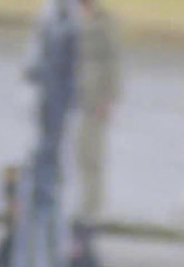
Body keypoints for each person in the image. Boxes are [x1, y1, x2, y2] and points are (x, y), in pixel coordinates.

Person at [72, 0, 119, 224]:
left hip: (95, 100)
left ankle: (91, 210)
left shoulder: (104, 22)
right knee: (74, 156)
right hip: (70, 99)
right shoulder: (68, 19)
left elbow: (113, 62)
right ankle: (72, 206)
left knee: (91, 157)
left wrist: (108, 98)